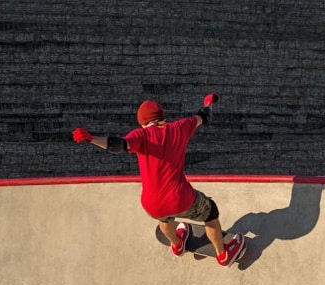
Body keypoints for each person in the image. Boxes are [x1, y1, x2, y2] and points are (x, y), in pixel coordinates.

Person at [71, 94, 245, 267]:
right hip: (180, 199)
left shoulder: (140, 135)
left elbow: (118, 144)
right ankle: (223, 255)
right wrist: (209, 102)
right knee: (210, 211)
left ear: (142, 122)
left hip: (151, 204)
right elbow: (205, 116)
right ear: (162, 117)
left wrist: (92, 139)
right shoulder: (180, 127)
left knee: (164, 218)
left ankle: (177, 245)